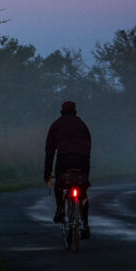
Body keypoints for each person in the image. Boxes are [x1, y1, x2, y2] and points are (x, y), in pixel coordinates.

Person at [44, 100, 92, 237]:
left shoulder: (56, 125)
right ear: (75, 111)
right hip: (82, 160)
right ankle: (85, 225)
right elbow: (89, 147)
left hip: (64, 159)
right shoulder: (82, 125)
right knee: (82, 192)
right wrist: (86, 174)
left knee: (60, 183)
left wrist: (47, 173)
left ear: (62, 111)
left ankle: (60, 207)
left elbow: (49, 152)